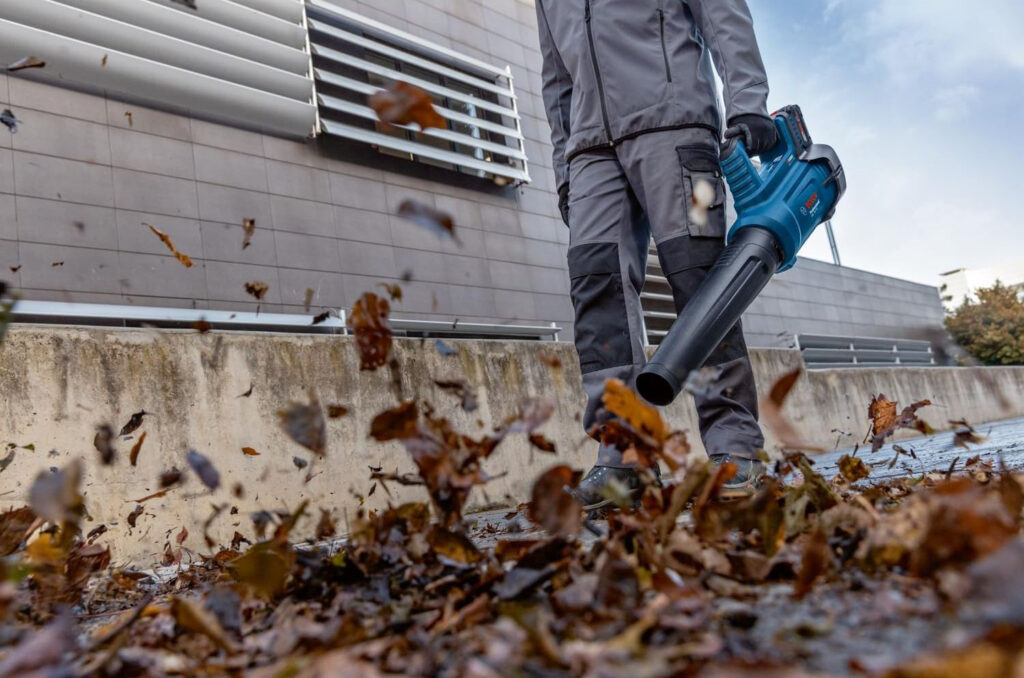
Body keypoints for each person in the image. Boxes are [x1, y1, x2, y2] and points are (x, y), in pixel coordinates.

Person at [535, 0, 779, 508]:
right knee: (595, 288)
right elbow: (557, 78)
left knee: (701, 279)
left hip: (678, 127)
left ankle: (734, 447)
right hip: (591, 154)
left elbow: (723, 15)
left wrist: (748, 101)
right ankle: (623, 455)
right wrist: (564, 168)